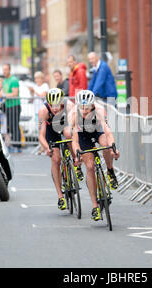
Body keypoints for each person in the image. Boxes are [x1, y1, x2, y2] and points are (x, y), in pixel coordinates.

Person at [70, 90, 120, 221]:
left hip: (98, 131)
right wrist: (77, 155)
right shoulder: (75, 114)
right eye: (82, 108)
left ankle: (110, 170)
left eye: (87, 108)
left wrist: (113, 148)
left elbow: (108, 132)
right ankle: (94, 206)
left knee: (106, 145)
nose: (85, 111)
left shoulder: (99, 110)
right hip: (83, 137)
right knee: (90, 167)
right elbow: (74, 141)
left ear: (92, 105)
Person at [38, 88, 83, 210]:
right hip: (51, 131)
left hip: (65, 125)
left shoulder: (69, 106)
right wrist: (47, 148)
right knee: (56, 159)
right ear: (48, 103)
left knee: (69, 135)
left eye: (58, 105)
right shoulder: (43, 111)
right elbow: (41, 136)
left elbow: (76, 128)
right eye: (53, 106)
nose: (56, 108)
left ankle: (76, 164)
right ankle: (60, 196)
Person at [0, 64, 21, 153]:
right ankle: (13, 145)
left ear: (10, 70)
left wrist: (3, 95)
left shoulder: (13, 80)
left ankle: (17, 146)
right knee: (10, 126)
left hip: (14, 105)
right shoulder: (5, 80)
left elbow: (15, 93)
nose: (4, 71)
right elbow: (4, 92)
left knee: (14, 126)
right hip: (8, 106)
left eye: (6, 69)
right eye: (3, 70)